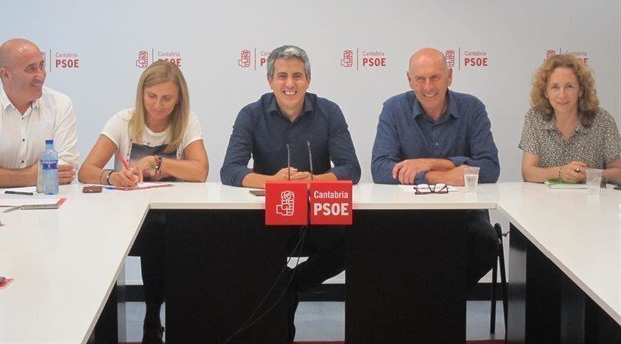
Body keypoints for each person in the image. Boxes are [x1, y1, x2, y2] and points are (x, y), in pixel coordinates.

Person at [220, 44, 360, 341]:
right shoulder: (251, 114)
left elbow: (351, 169)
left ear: (308, 80)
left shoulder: (329, 112)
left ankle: (290, 287)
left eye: (297, 76)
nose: (290, 83)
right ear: (270, 80)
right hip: (270, 214)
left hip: (315, 214)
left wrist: (314, 180)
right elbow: (230, 169)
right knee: (246, 249)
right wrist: (272, 182)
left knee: (349, 244)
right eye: (282, 76)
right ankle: (280, 304)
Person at [78, 59, 209, 344]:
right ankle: (150, 318)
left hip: (169, 216)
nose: (158, 105)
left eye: (167, 98)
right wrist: (112, 176)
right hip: (125, 214)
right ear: (141, 94)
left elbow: (200, 171)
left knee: (165, 234)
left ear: (179, 99)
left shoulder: (187, 121)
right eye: (151, 96)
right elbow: (86, 170)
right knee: (151, 235)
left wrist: (157, 161)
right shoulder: (123, 121)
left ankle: (155, 317)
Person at [371, 47, 499, 289]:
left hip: (464, 214)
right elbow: (380, 167)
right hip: (409, 212)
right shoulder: (394, 108)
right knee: (381, 245)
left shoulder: (472, 108)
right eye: (420, 78)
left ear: (449, 76)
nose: (428, 86)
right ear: (409, 80)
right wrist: (441, 176)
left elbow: (490, 167)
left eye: (435, 77)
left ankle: (443, 300)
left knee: (485, 245)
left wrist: (431, 162)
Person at [0, 38, 79, 188]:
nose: (41, 76)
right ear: (6, 75)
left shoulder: (60, 104)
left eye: (41, 66)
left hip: (48, 198)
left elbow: (66, 169)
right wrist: (34, 175)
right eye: (31, 69)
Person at [519, 54, 621, 184]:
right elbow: (528, 172)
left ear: (580, 90)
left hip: (590, 196)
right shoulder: (534, 118)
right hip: (546, 196)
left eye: (569, 86)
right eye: (555, 87)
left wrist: (588, 175)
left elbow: (618, 172)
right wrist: (561, 172)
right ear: (545, 92)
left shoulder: (602, 120)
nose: (562, 94)